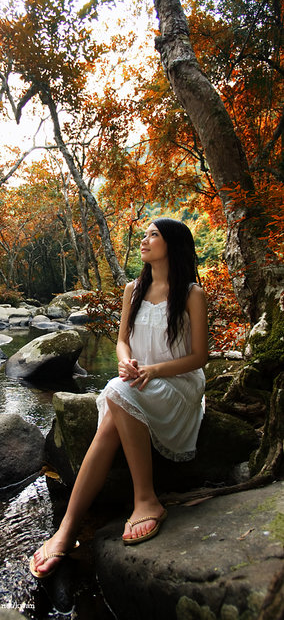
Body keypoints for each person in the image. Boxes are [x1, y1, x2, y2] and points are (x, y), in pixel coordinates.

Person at [30, 217, 208, 579]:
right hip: (138, 381)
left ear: (172, 245)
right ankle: (70, 528)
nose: (144, 241)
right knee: (115, 405)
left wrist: (153, 370)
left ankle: (142, 500)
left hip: (178, 384)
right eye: (144, 235)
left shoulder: (191, 294)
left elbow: (200, 357)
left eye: (153, 235)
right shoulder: (134, 289)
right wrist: (126, 361)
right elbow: (123, 340)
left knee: (115, 392)